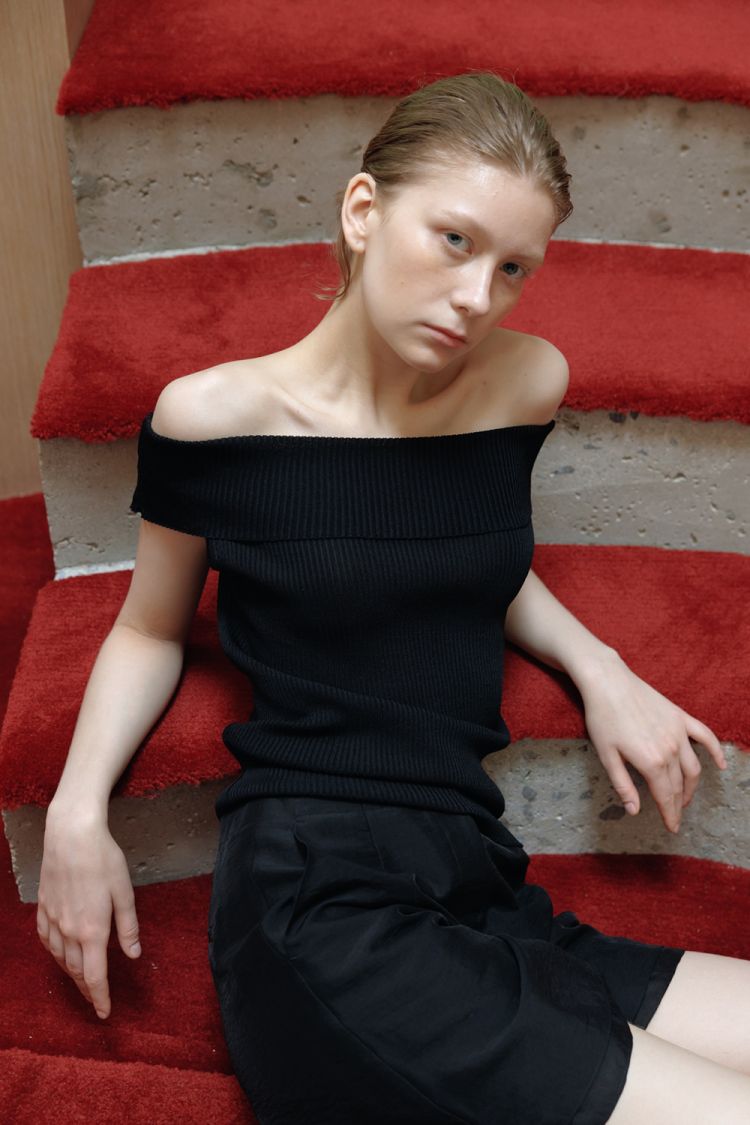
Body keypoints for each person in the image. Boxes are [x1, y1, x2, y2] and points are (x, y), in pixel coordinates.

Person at [37, 71, 750, 1123]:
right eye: (454, 241)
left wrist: (601, 667)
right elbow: (150, 627)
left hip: (476, 879)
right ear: (364, 210)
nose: (477, 297)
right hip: (318, 899)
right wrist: (77, 807)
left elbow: (459, 555)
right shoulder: (215, 417)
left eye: (512, 268)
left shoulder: (523, 384)